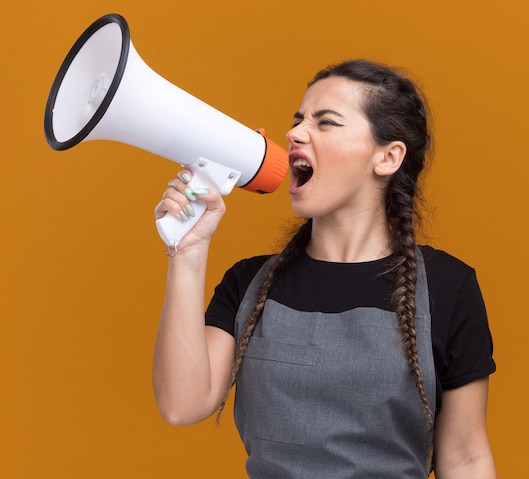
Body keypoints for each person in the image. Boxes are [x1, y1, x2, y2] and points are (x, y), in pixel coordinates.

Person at [153, 59, 497, 479]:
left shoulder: (447, 286)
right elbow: (181, 404)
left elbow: (464, 457)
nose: (294, 134)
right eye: (298, 120)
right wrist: (188, 252)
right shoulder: (248, 284)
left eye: (326, 122)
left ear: (387, 157)